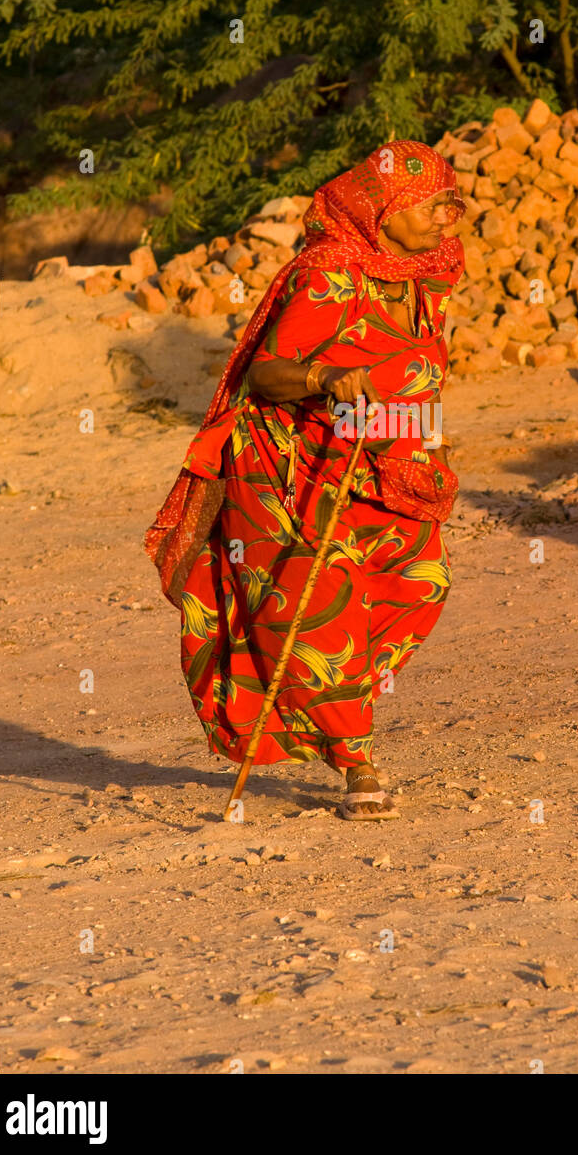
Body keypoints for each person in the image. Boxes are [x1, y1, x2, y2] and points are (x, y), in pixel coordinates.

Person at [145, 140, 466, 819]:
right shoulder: (328, 275)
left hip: (386, 465)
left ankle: (326, 709)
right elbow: (267, 370)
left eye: (448, 203)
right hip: (297, 467)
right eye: (431, 205)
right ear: (384, 208)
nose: (446, 217)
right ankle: (357, 763)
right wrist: (326, 380)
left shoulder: (418, 275)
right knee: (324, 608)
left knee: (420, 584)